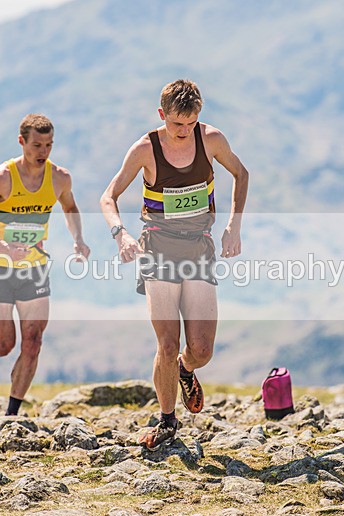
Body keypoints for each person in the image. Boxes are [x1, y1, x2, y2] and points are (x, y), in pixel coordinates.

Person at [100, 80, 249, 449]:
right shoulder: (145, 149)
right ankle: (167, 421)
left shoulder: (211, 139)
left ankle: (186, 369)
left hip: (199, 249)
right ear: (161, 114)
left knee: (201, 350)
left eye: (190, 123)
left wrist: (233, 227)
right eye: (176, 124)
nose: (184, 132)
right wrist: (121, 234)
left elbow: (241, 174)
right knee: (166, 344)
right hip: (158, 252)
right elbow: (108, 197)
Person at [0, 113, 91, 416]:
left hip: (34, 266)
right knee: (4, 345)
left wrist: (78, 238)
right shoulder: (1, 178)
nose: (42, 152)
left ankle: (11, 414)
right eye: (36, 145)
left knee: (33, 341)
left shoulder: (59, 177)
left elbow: (70, 206)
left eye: (48, 145)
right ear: (22, 142)